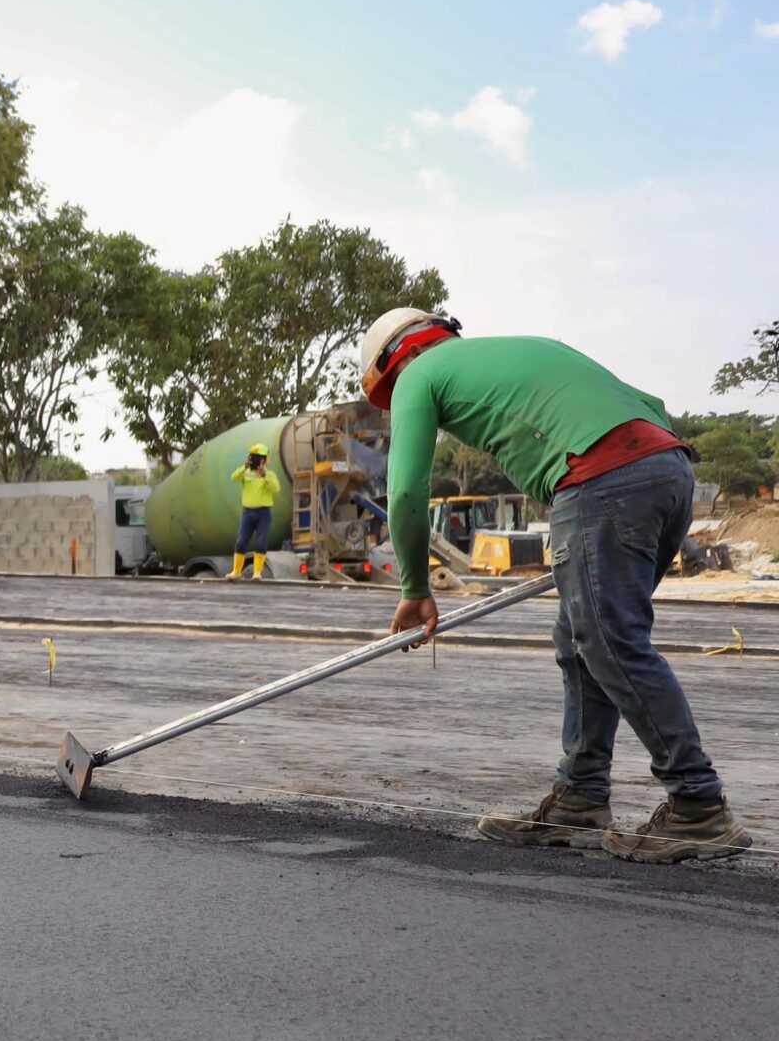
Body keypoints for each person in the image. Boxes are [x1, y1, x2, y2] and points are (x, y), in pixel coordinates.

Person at [362, 307, 747, 863]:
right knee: (582, 640)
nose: (399, 396)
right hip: (670, 472)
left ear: (402, 358)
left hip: (598, 480)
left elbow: (402, 493)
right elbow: (654, 408)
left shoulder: (419, 375)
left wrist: (416, 587)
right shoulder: (532, 345)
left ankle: (698, 807)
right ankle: (580, 800)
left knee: (611, 642)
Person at [229, 442, 280, 580]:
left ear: (264, 460)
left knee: (261, 541)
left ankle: (257, 572)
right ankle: (236, 572)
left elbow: (276, 489)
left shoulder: (270, 475)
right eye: (252, 457)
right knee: (241, 541)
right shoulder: (245, 473)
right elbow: (234, 477)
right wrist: (244, 467)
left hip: (263, 513)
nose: (255, 460)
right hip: (247, 512)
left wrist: (265, 476)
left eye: (258, 457)